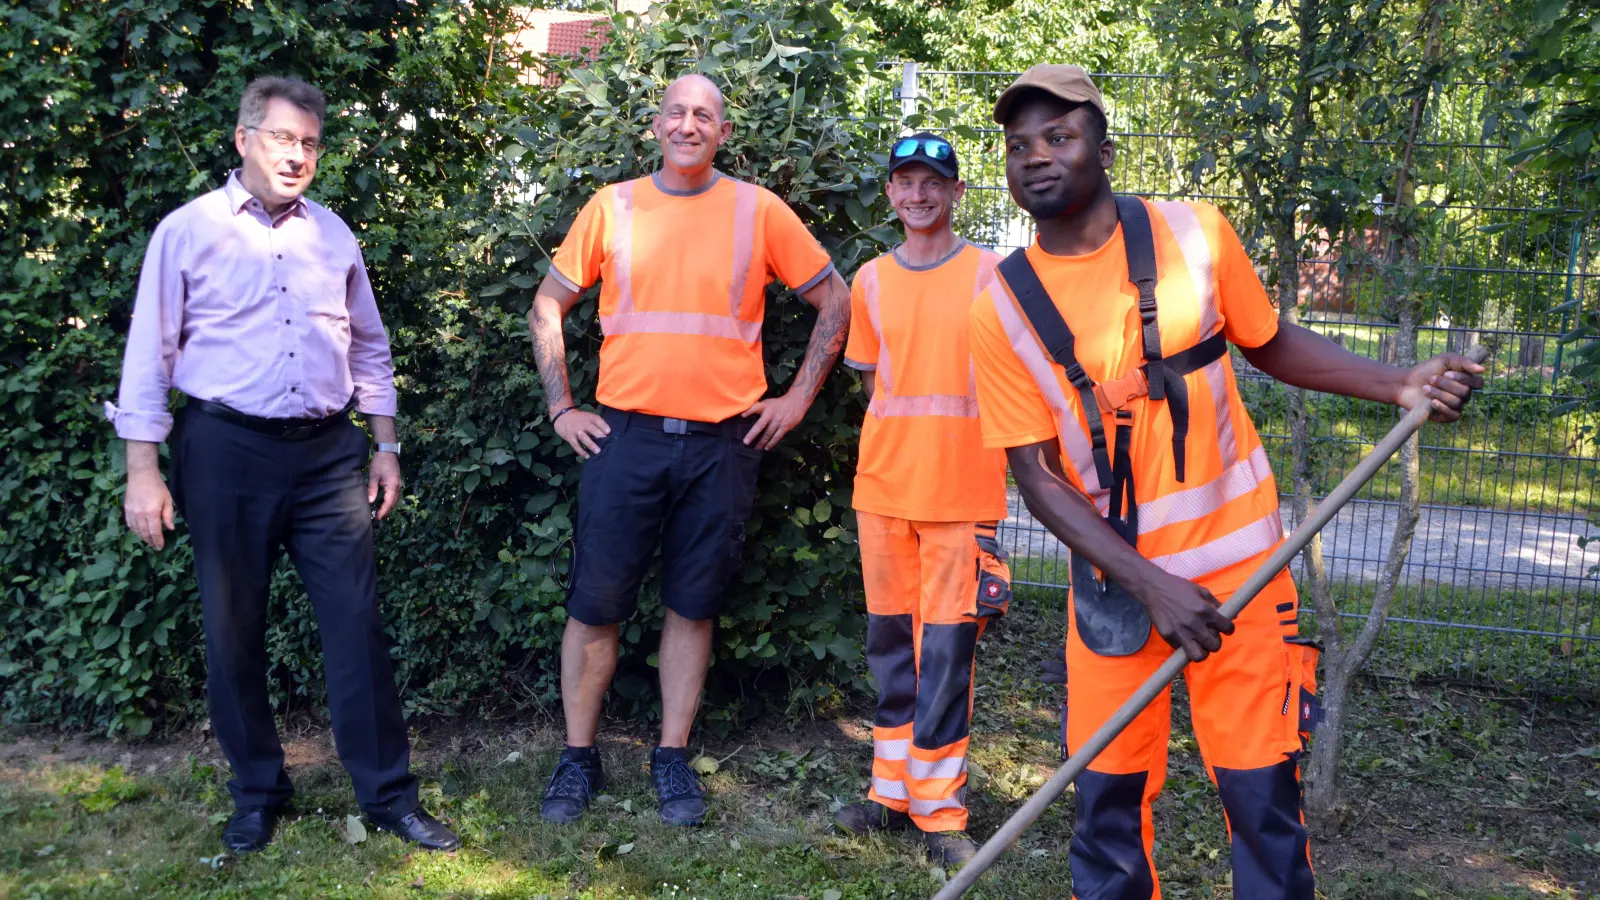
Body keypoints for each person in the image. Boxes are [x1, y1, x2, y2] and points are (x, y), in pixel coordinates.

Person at [968, 65, 1483, 898]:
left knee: (1261, 804)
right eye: (1017, 144)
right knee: (1105, 811)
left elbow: (1270, 341)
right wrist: (1152, 587)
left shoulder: (1196, 235)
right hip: (1115, 588)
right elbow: (1038, 479)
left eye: (1057, 136)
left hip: (1244, 578)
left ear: (1102, 145)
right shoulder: (999, 304)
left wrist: (1398, 383)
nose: (1035, 157)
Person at [109, 76, 459, 854]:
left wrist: (387, 443)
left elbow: (369, 345)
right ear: (243, 140)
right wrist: (143, 470)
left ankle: (388, 796)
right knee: (233, 628)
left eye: (308, 142)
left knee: (356, 626)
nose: (297, 155)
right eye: (281, 138)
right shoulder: (187, 231)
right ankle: (258, 793)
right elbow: (149, 355)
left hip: (330, 456)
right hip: (225, 450)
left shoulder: (334, 235)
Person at [527, 73, 850, 827]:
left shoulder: (757, 210)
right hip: (624, 437)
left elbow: (834, 296)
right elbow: (549, 300)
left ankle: (670, 757)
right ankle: (578, 759)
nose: (688, 124)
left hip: (722, 444)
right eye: (676, 111)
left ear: (724, 132)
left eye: (704, 114)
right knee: (594, 607)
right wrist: (560, 407)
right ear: (653, 124)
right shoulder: (613, 207)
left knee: (692, 607)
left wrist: (797, 398)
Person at [830, 134, 1011, 867]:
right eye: (905, 183)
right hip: (884, 495)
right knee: (890, 653)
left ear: (957, 193)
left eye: (932, 182)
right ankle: (890, 795)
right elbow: (876, 384)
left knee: (945, 655)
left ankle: (941, 813)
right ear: (891, 197)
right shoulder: (869, 279)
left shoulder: (991, 274)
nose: (918, 195)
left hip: (963, 497)